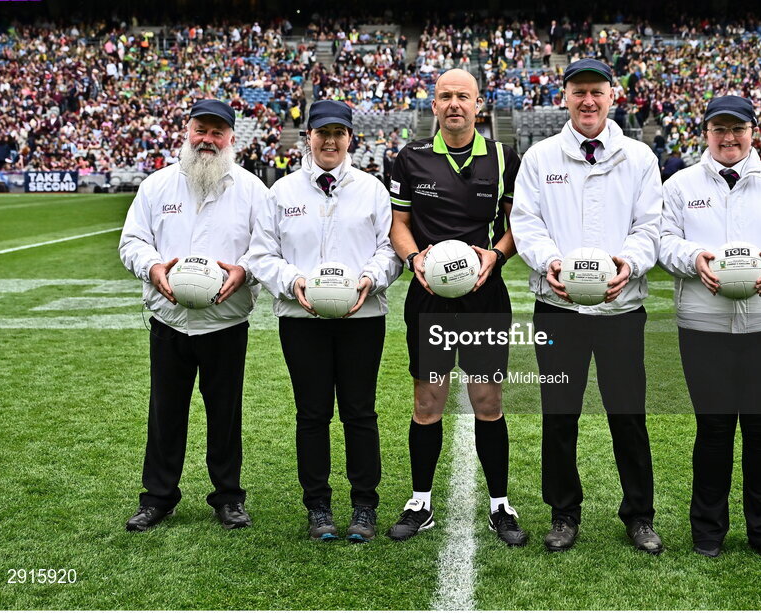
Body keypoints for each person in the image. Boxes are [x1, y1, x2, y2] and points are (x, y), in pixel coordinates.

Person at [658, 95, 761, 560]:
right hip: (703, 323)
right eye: (719, 129)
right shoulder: (680, 185)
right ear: (706, 132)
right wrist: (694, 259)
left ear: (755, 131)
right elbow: (662, 241)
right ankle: (707, 532)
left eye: (738, 129)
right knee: (712, 429)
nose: (729, 138)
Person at [510, 59, 663, 554]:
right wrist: (551, 262)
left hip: (621, 308)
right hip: (557, 307)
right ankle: (563, 513)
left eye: (596, 91)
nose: (588, 101)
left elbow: (650, 227)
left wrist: (629, 265)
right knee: (559, 415)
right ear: (565, 97)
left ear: (612, 95)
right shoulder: (540, 157)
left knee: (628, 415)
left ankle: (639, 515)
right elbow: (526, 222)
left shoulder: (638, 156)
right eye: (579, 92)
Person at [248, 100, 402, 542]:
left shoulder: (372, 189)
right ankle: (317, 507)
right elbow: (262, 254)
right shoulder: (282, 192)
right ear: (308, 137)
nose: (330, 141)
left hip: (362, 317)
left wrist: (370, 280)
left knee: (359, 412)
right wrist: (293, 281)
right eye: (322, 133)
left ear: (350, 138)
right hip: (302, 319)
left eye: (339, 133)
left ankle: (364, 506)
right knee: (312, 414)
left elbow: (389, 251)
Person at [387, 68, 527, 547]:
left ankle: (499, 506)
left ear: (477, 104)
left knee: (488, 403)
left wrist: (497, 253)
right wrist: (413, 258)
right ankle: (420, 502)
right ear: (434, 105)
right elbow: (398, 222)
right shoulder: (411, 158)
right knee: (428, 403)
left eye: (462, 96)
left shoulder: (505, 156)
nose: (454, 104)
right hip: (429, 297)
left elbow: (519, 224)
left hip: (485, 296)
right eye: (445, 96)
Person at [118, 99, 267, 532]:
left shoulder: (252, 189)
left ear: (231, 139)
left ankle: (228, 497)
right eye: (201, 129)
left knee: (226, 413)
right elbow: (132, 242)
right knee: (166, 412)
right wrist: (153, 267)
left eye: (217, 133)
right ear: (187, 131)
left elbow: (265, 249)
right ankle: (158, 498)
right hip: (169, 320)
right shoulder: (157, 186)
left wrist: (245, 271)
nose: (208, 140)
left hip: (226, 321)